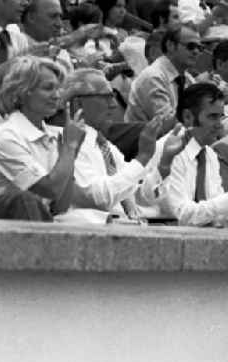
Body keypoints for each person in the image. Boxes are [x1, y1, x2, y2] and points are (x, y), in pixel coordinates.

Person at [0, 56, 86, 221]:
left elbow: (59, 207)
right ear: (22, 92)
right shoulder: (8, 136)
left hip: (32, 222)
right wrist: (69, 146)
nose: (57, 96)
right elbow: (49, 189)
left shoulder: (53, 136)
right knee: (25, 201)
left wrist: (72, 154)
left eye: (58, 88)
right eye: (48, 88)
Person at [57, 68, 166, 224]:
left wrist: (164, 166)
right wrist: (142, 158)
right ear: (78, 102)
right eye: (106, 97)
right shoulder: (67, 141)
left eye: (113, 96)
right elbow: (99, 197)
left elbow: (136, 194)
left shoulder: (104, 144)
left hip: (125, 228)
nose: (114, 105)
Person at [153, 83, 228, 226]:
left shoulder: (210, 154)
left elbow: (217, 215)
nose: (219, 125)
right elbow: (179, 215)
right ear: (188, 117)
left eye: (221, 117)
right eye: (212, 117)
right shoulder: (167, 149)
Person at [125, 25, 199, 123]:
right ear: (170, 45)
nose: (196, 51)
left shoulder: (187, 78)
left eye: (200, 48)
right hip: (148, 137)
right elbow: (167, 125)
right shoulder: (153, 77)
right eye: (191, 46)